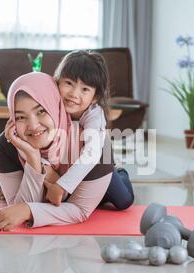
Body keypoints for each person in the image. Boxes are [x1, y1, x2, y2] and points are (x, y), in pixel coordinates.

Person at [0, 72, 113, 231]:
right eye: (20, 117)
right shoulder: (7, 143)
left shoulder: (93, 142)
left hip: (98, 175)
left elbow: (79, 210)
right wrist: (32, 156)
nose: (33, 126)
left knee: (121, 198)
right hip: (59, 182)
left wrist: (29, 210)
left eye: (41, 111)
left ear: (56, 107)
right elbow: (15, 211)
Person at [46, 50, 134, 210]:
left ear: (95, 97)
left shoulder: (94, 114)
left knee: (124, 200)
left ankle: (120, 171)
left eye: (85, 89)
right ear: (57, 81)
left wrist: (62, 186)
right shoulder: (51, 105)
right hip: (67, 158)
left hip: (98, 161)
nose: (74, 94)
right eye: (68, 83)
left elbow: (91, 155)